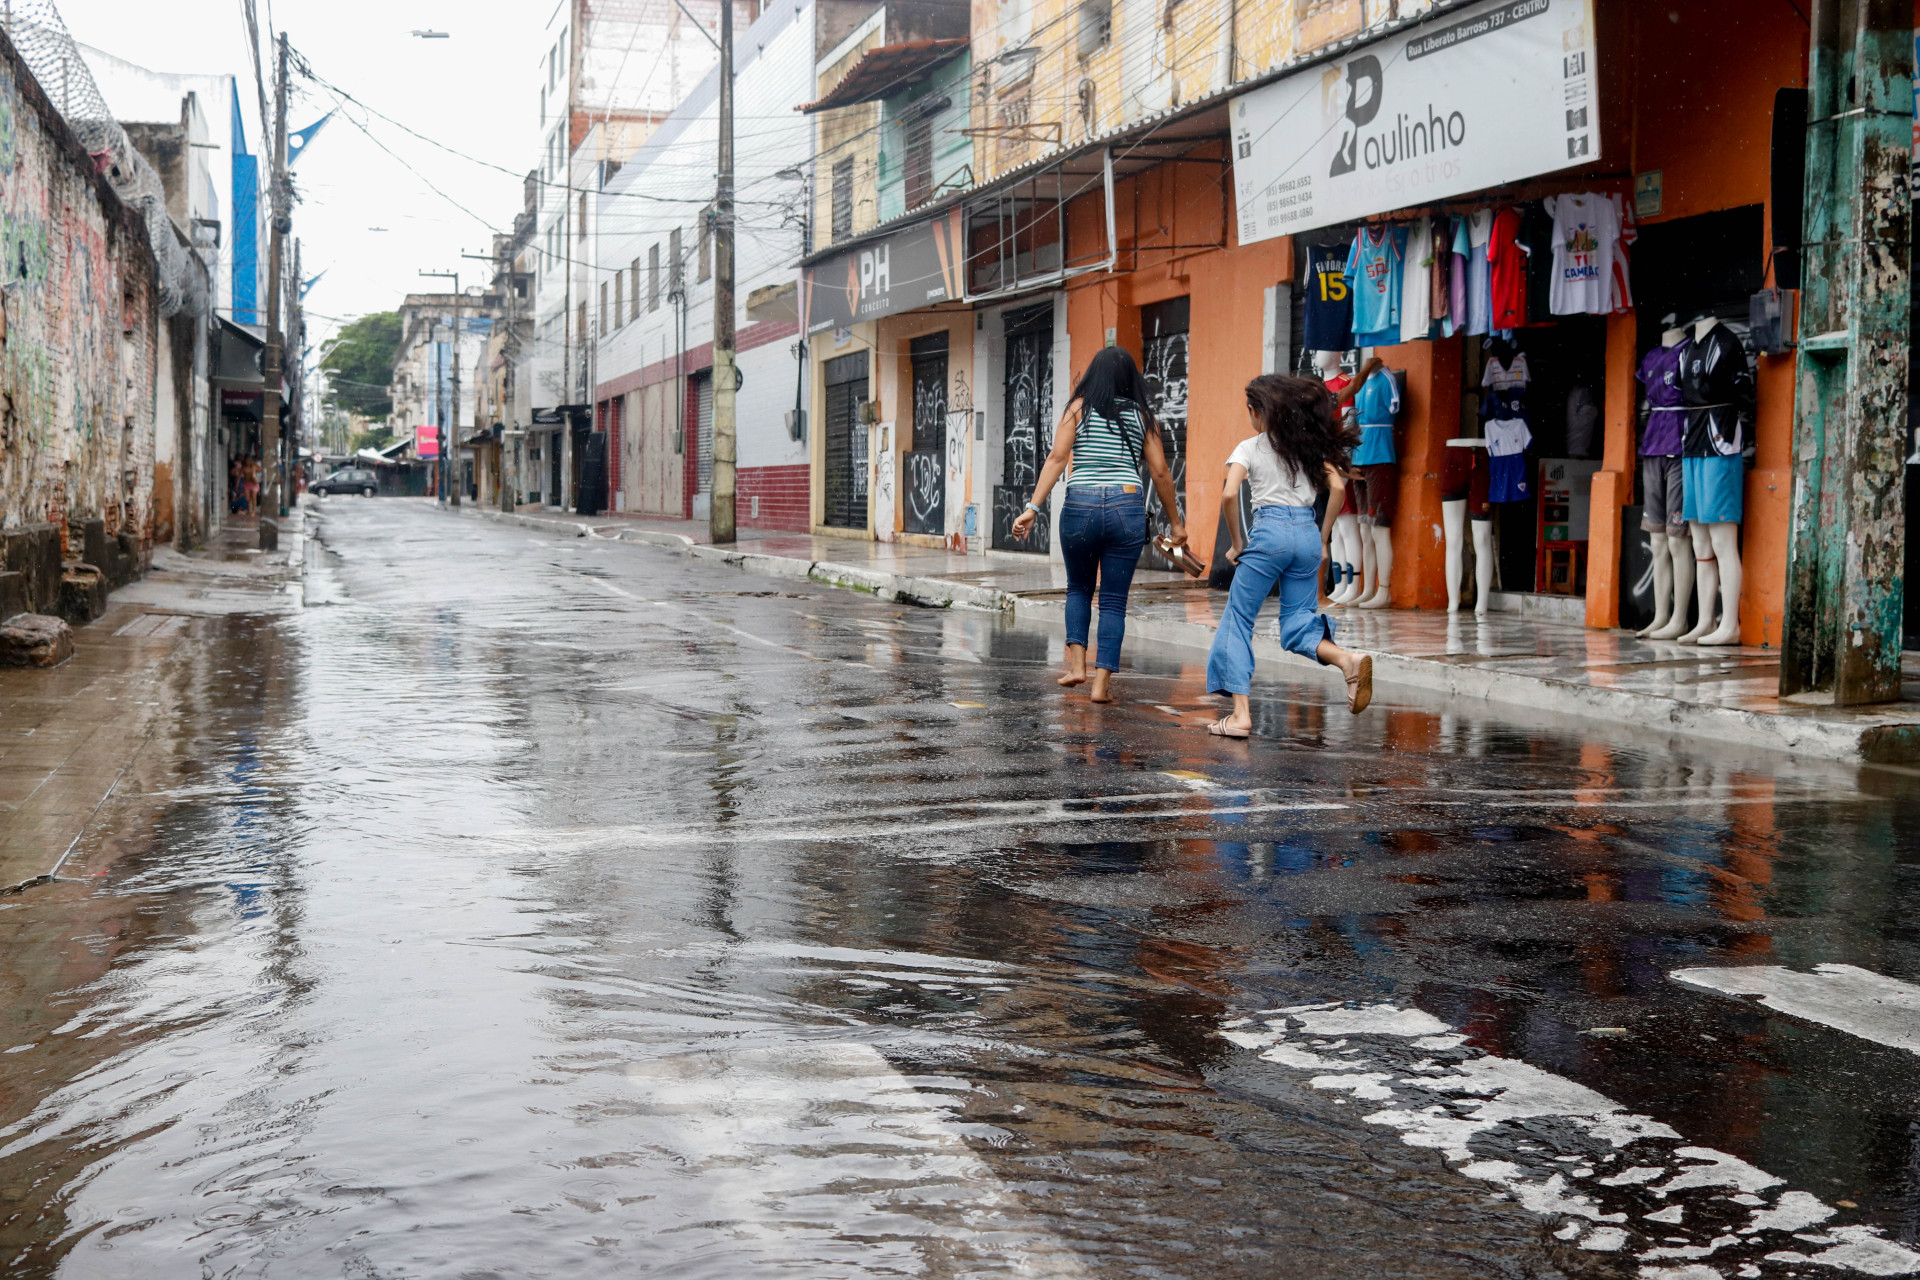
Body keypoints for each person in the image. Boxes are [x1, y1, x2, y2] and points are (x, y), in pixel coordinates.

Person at [1010, 346, 1187, 704]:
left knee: (1078, 588)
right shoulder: (1143, 416)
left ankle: (1077, 667)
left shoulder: (1077, 408)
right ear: (1129, 379)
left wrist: (1032, 507)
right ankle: (1101, 685)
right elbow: (1160, 472)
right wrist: (1176, 523)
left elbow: (1058, 458)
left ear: (1094, 374)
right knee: (1113, 601)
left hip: (1081, 504)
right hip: (1126, 506)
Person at [1205, 374, 1375, 737]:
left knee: (1238, 620)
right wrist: (1322, 537)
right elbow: (1338, 487)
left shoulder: (1249, 448)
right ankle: (1347, 660)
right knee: (1297, 622)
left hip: (1270, 533)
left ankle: (1239, 716)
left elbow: (1231, 495)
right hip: (1307, 535)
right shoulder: (1307, 447)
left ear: (1257, 412)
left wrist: (1237, 543)